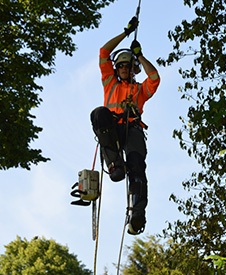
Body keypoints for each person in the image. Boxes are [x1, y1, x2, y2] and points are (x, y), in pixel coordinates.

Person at [90, 17, 160, 235]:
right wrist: (125, 33)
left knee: (138, 168)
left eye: (127, 67)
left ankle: (137, 214)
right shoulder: (110, 82)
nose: (122, 69)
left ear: (133, 70)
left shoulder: (140, 90)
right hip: (112, 129)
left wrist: (139, 55)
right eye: (119, 66)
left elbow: (155, 77)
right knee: (99, 113)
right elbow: (103, 52)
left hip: (133, 130)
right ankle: (115, 164)